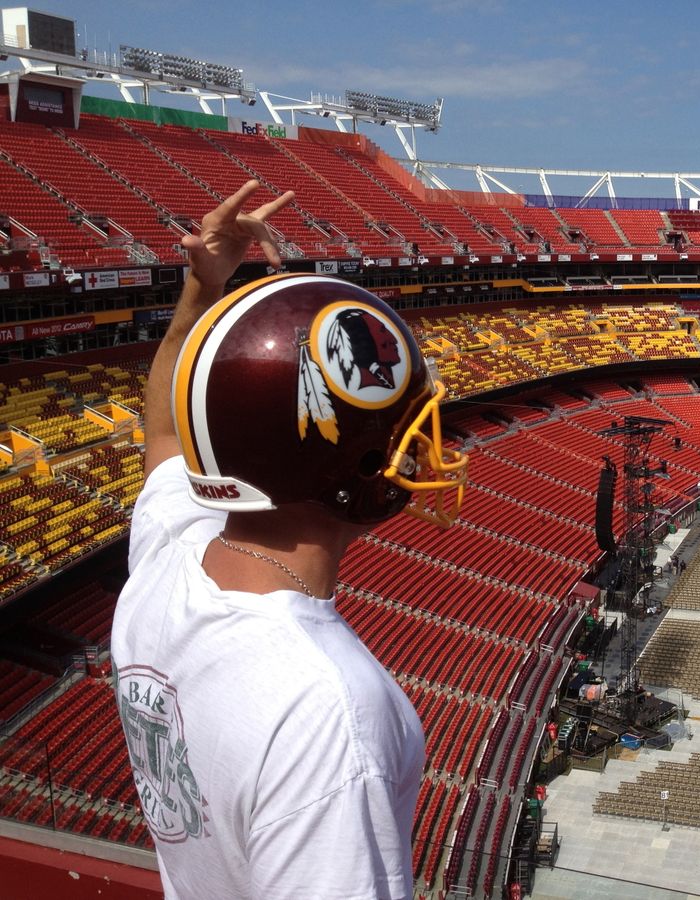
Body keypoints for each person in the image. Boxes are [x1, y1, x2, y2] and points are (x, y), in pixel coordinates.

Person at [111, 181, 468, 900]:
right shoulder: (329, 709)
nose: (428, 446)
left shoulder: (170, 553)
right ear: (352, 460)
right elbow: (166, 430)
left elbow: (161, 432)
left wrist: (199, 291)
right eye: (409, 424)